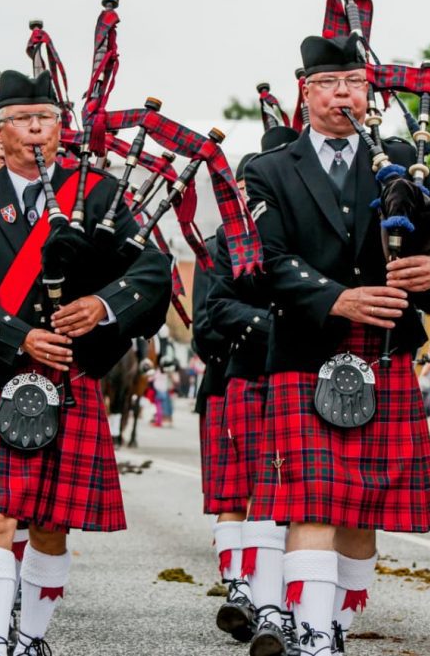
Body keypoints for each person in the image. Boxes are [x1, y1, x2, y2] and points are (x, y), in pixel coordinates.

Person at [243, 34, 430, 655]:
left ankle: (337, 628)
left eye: (355, 82)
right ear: (306, 93)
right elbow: (263, 259)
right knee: (312, 505)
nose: (343, 94)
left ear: (369, 92)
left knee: (360, 510)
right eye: (329, 83)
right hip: (307, 350)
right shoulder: (267, 169)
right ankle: (311, 636)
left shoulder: (400, 160)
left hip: (383, 354)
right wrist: (336, 298)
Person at [0, 69, 170, 656]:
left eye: (48, 118)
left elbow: (152, 272)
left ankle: (30, 639)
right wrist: (19, 338)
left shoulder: (98, 194)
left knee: (50, 523)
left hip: (71, 377)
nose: (38, 129)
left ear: (62, 129)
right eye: (24, 119)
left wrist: (101, 305)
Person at [205, 139, 296, 655]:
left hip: (307, 375)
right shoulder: (227, 240)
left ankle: (295, 604)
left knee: (300, 498)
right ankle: (256, 596)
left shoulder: (315, 230)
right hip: (251, 374)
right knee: (257, 494)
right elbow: (217, 309)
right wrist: (279, 325)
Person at [192, 230, 252, 641]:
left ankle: (276, 595)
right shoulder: (212, 249)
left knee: (282, 499)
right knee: (232, 497)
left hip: (289, 381)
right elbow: (203, 328)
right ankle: (238, 588)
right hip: (224, 382)